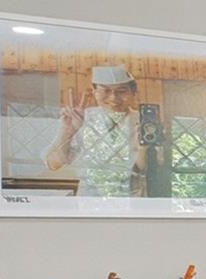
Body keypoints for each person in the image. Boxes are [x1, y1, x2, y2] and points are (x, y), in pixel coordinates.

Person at [46, 64, 145, 197]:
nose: (113, 98)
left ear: (133, 93)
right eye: (105, 91)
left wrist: (143, 147)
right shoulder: (79, 118)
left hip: (131, 200)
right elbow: (54, 164)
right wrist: (67, 131)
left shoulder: (144, 121)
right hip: (90, 200)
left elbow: (146, 167)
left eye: (121, 91)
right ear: (95, 92)